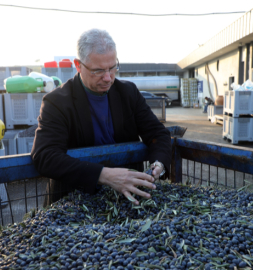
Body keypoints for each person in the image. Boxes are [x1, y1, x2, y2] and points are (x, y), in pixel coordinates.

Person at [31, 29, 171, 206]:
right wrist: (104, 175)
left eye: (112, 68)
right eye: (98, 71)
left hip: (126, 200)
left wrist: (158, 164)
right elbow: (45, 156)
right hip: (74, 202)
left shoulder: (128, 93)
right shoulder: (57, 102)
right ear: (78, 65)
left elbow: (158, 134)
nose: (108, 78)